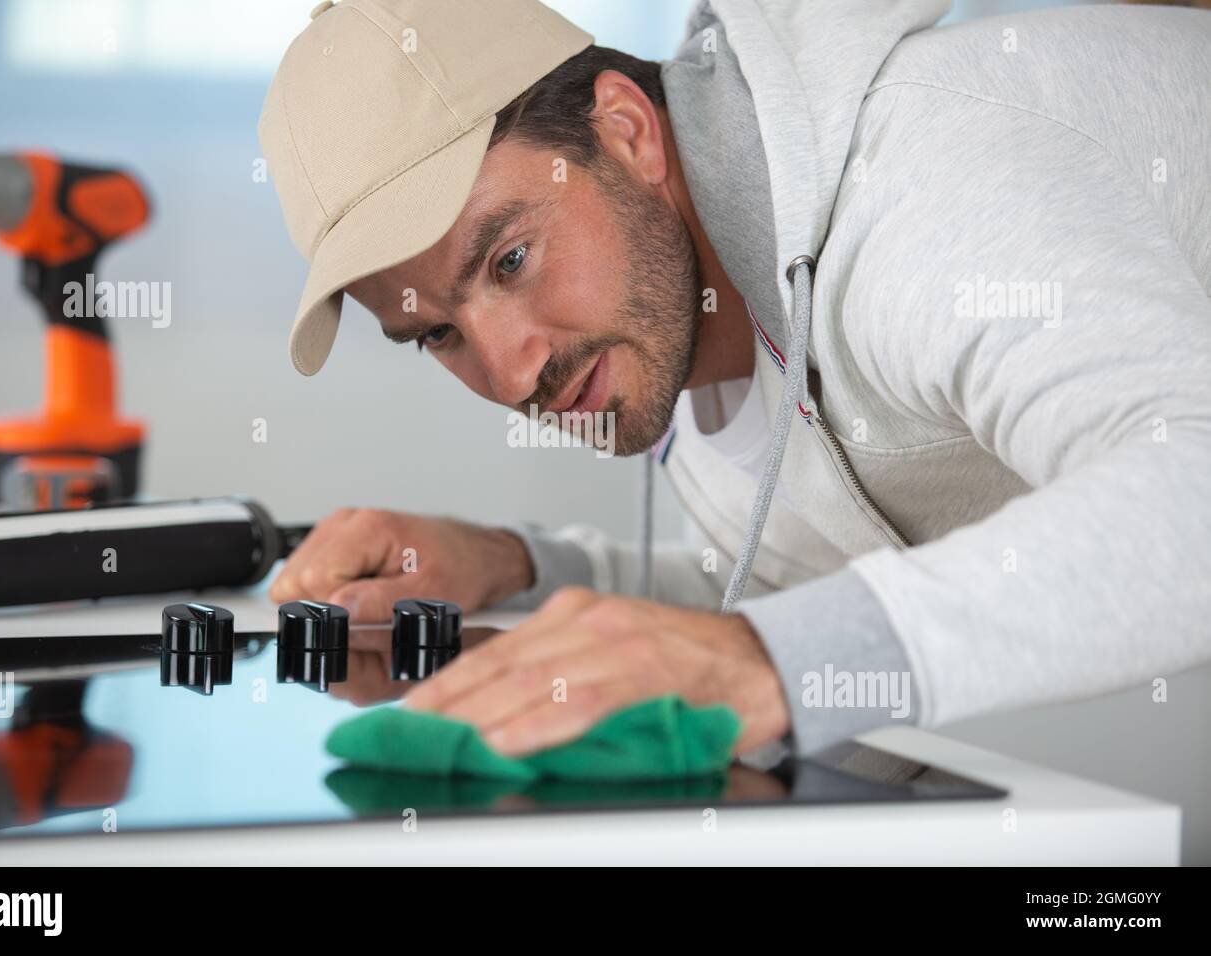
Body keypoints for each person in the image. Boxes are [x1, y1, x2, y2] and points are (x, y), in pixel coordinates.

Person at [258, 0, 1211, 761]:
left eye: (510, 260)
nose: (510, 374)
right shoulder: (693, 328)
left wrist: (762, 663)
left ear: (626, 132)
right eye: (436, 332)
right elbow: (782, 594)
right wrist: (522, 569)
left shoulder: (920, 193)